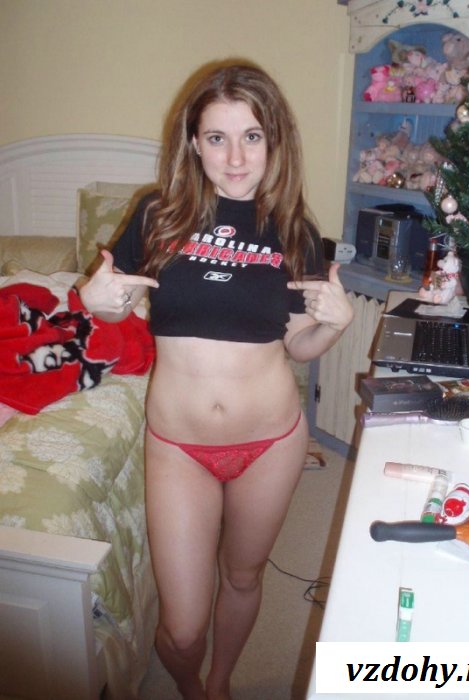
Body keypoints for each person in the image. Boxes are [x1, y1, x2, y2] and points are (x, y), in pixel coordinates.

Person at [79, 61, 354, 700]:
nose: (235, 158)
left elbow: (298, 343)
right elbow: (119, 302)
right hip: (179, 447)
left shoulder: (294, 229)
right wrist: (98, 304)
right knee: (180, 630)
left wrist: (334, 327)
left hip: (271, 441)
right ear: (194, 144)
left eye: (252, 137)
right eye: (217, 138)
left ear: (274, 141)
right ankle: (190, 681)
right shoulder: (157, 216)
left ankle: (220, 684)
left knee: (243, 577)